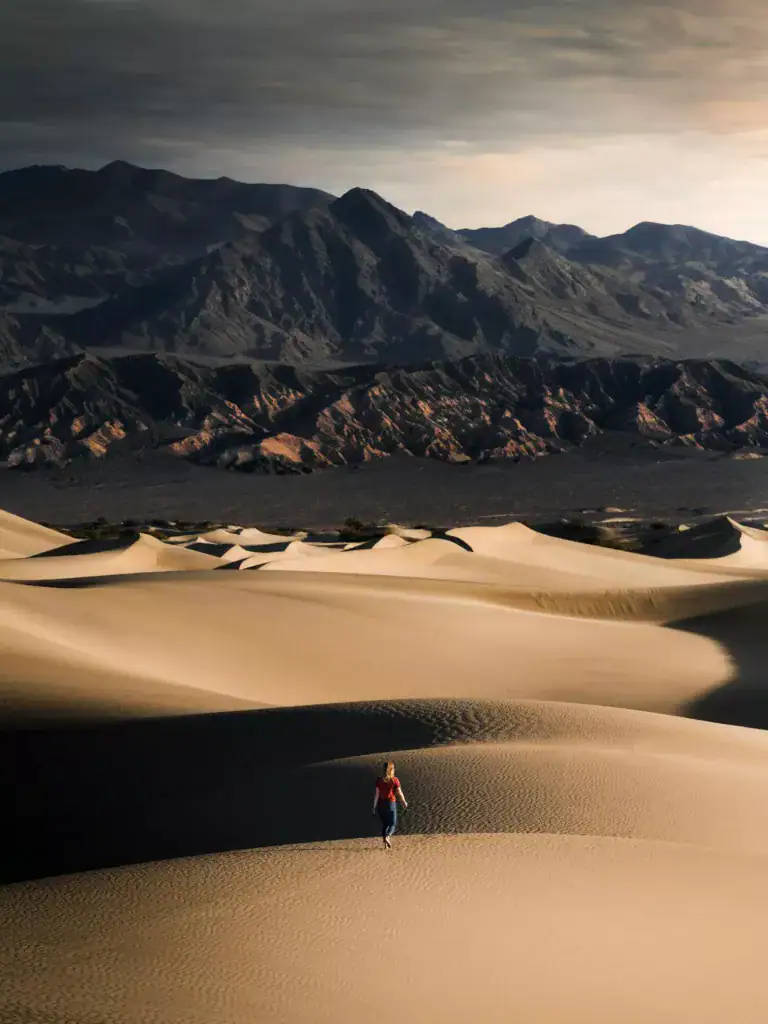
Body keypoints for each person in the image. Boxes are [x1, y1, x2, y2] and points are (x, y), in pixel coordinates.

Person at [372, 761, 408, 849]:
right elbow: (399, 792)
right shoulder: (394, 780)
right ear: (391, 770)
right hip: (390, 803)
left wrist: (374, 806)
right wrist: (404, 802)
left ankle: (385, 845)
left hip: (381, 805)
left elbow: (377, 794)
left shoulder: (379, 780)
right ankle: (388, 836)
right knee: (392, 824)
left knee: (385, 824)